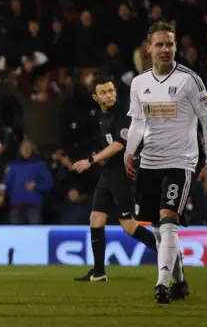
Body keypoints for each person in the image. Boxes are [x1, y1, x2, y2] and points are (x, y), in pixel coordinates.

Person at [124, 22, 207, 304]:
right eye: (160, 44)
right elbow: (138, 124)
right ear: (148, 47)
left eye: (170, 45)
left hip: (180, 162)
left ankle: (161, 283)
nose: (165, 50)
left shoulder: (190, 80)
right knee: (157, 227)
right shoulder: (139, 83)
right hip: (149, 162)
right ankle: (179, 281)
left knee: (168, 220)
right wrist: (129, 152)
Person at [72, 76, 186, 286]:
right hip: (107, 175)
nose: (109, 95)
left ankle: (171, 254)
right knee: (96, 219)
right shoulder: (101, 116)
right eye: (104, 93)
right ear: (95, 97)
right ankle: (99, 272)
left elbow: (119, 145)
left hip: (122, 177)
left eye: (111, 91)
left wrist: (91, 160)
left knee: (129, 225)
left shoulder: (124, 114)